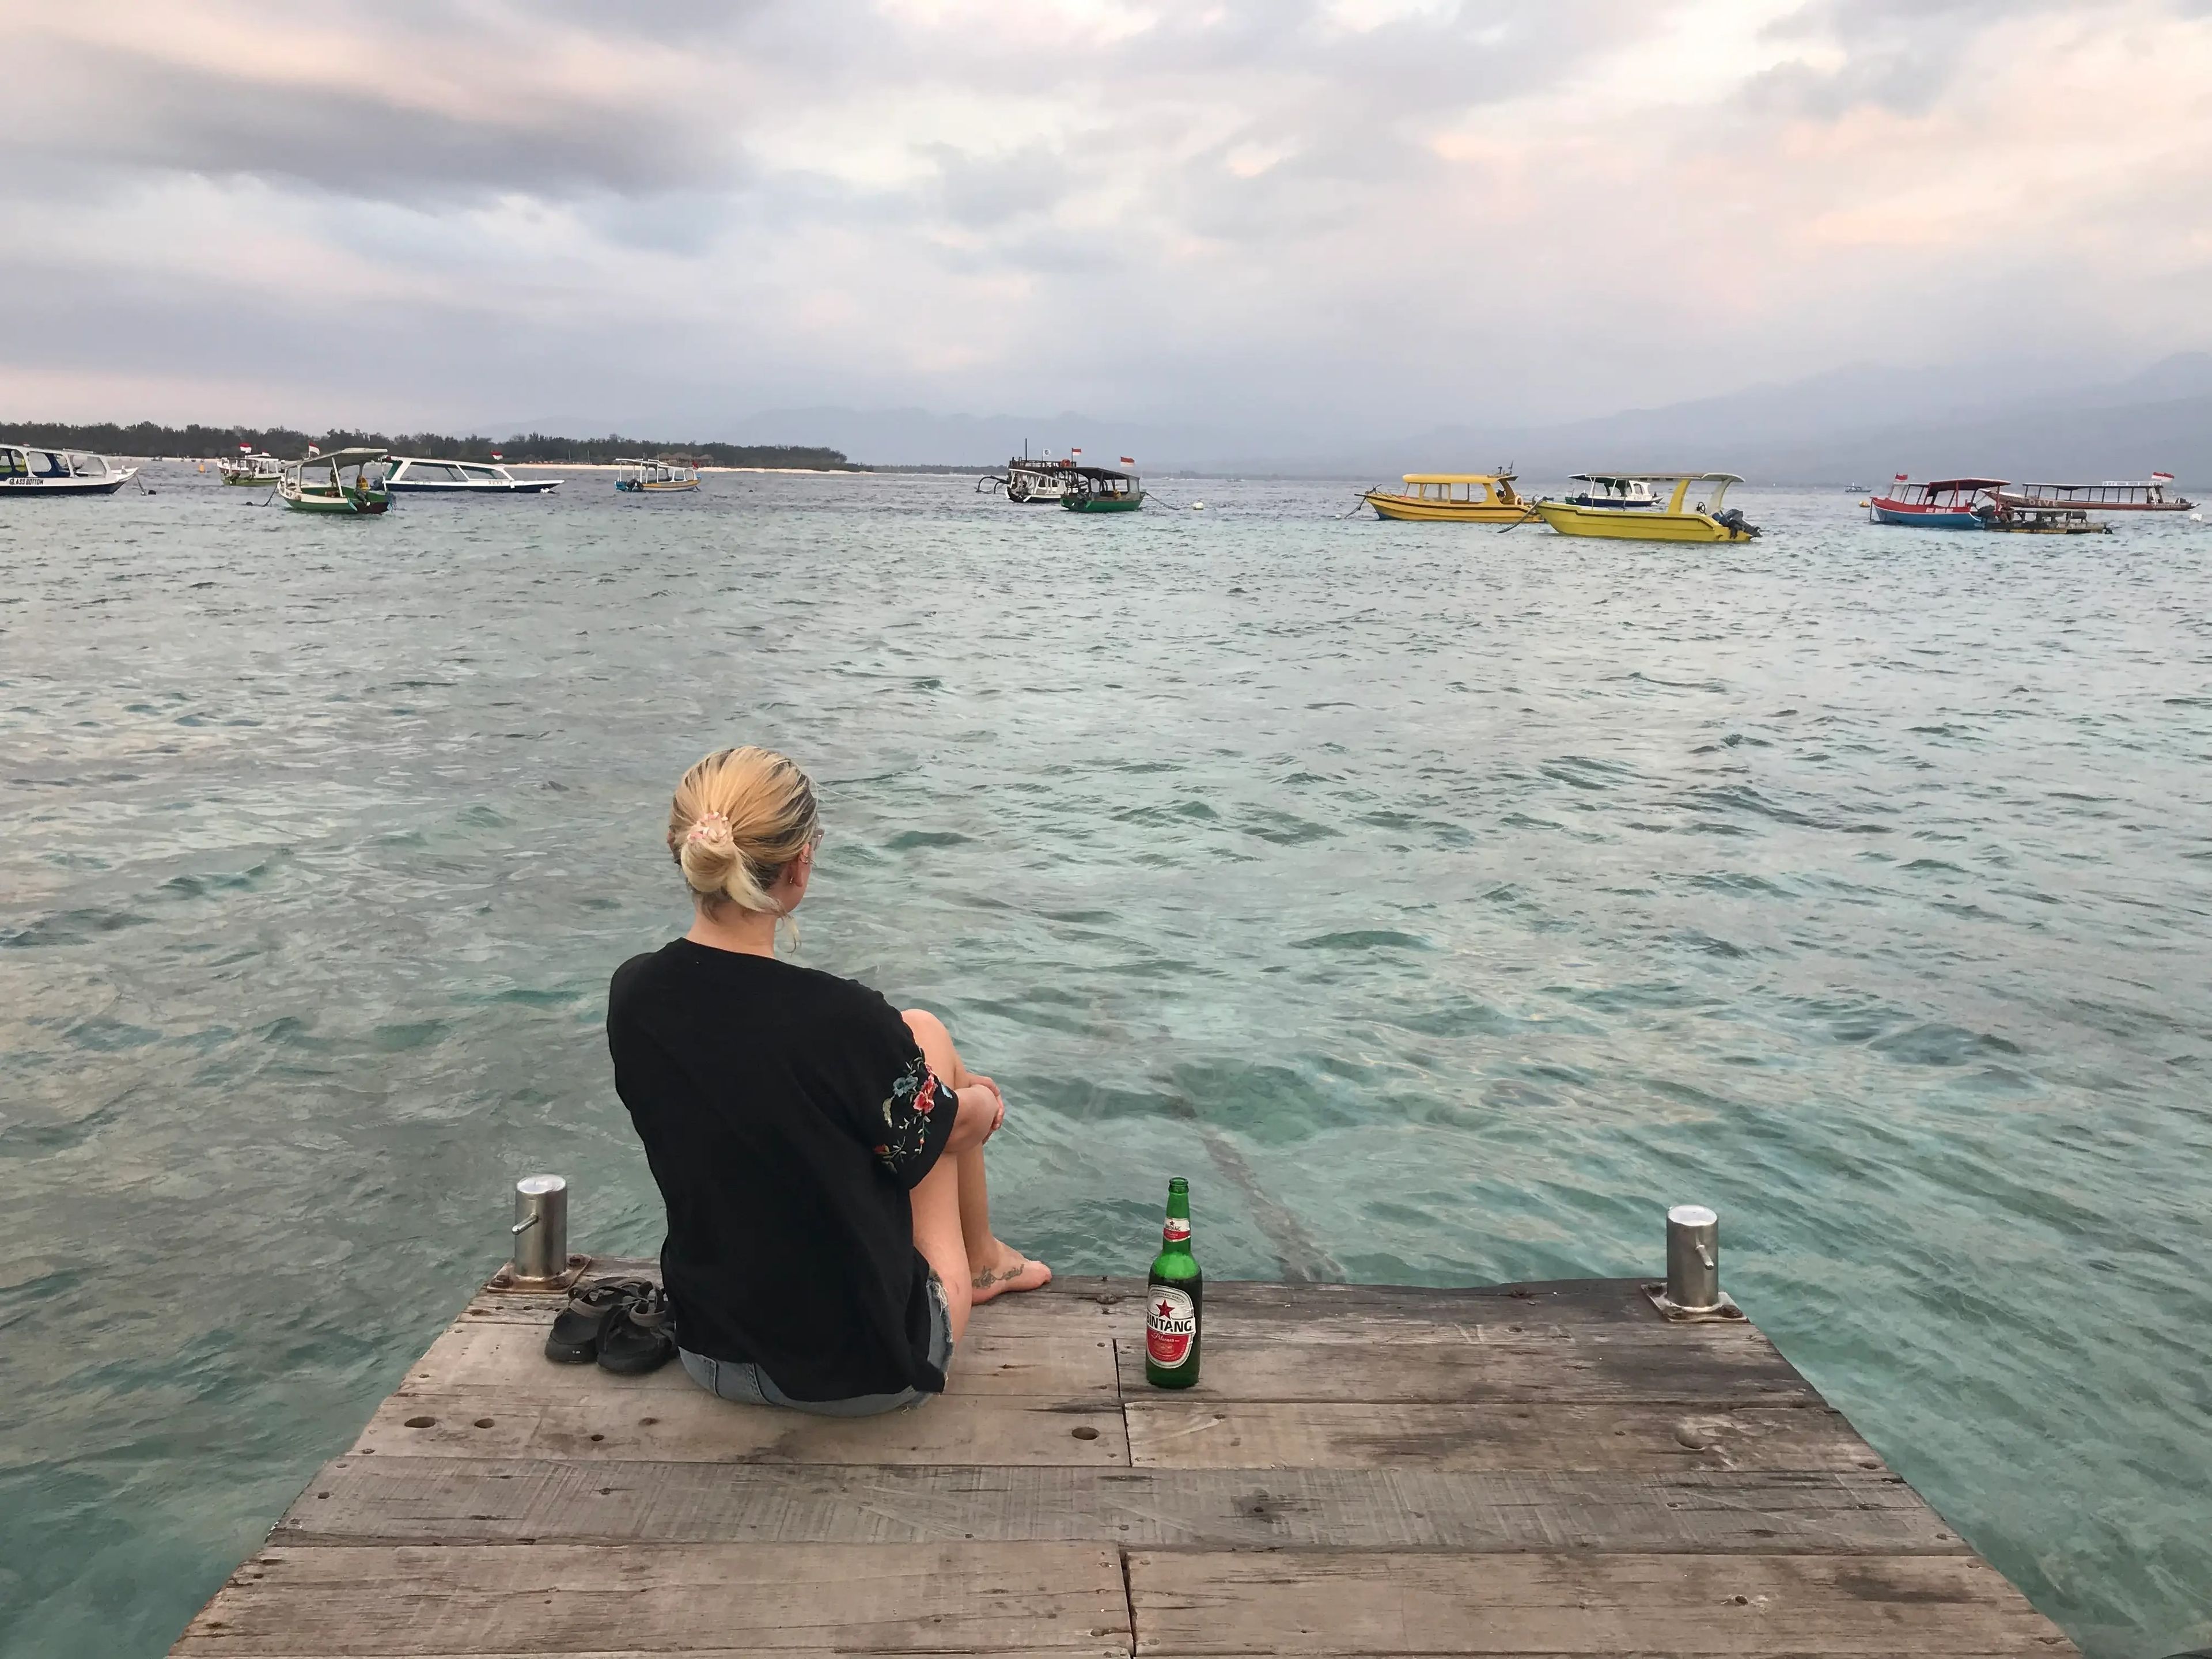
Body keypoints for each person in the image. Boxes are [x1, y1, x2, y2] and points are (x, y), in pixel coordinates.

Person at [606, 745, 1050, 1415]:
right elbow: (953, 1128)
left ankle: (988, 1254)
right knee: (924, 1036)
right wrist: (983, 1104)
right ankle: (983, 1261)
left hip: (711, 1354)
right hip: (870, 1374)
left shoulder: (633, 993)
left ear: (684, 851)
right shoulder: (843, 1021)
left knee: (906, 1070)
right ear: (801, 863)